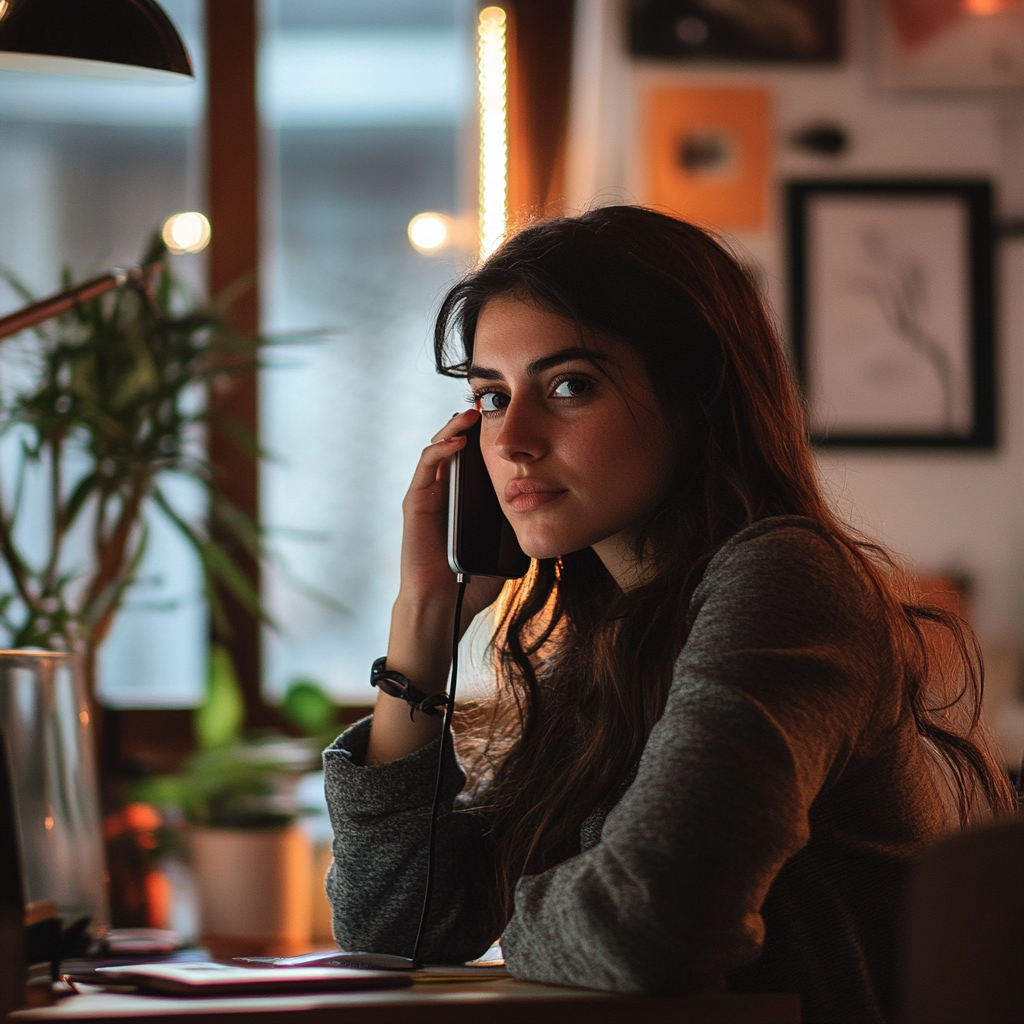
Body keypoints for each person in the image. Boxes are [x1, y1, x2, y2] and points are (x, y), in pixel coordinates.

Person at [323, 206, 1014, 1023]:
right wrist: (425, 618)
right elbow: (394, 925)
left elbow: (647, 928)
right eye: (491, 396)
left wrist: (524, 913)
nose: (512, 440)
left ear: (695, 395)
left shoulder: (784, 579)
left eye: (569, 386)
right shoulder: (611, 639)